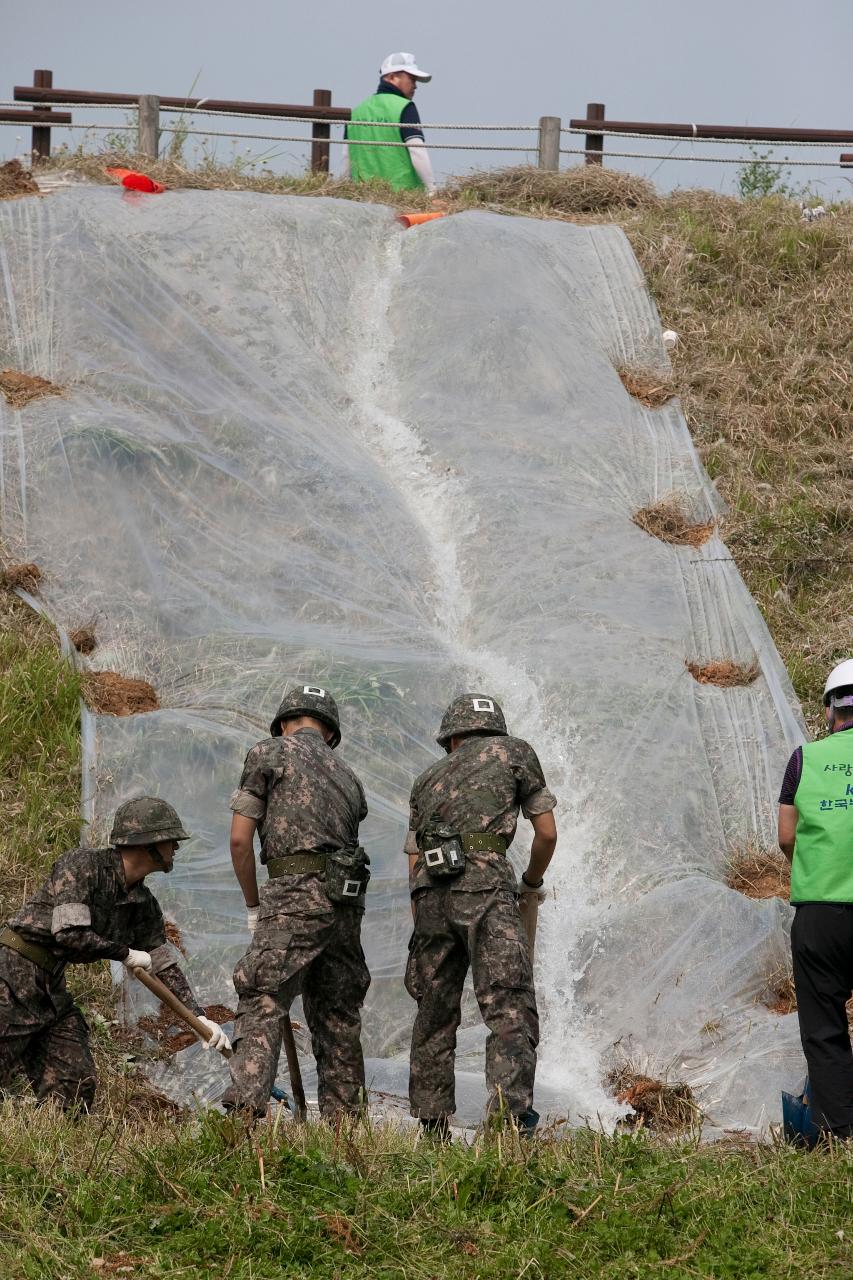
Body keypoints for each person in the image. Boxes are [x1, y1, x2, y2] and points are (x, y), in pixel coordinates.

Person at [0, 797, 230, 1112]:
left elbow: (162, 963)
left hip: (51, 989)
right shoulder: (83, 866)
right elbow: (68, 933)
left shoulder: (143, 904)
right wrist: (124, 953)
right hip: (11, 976)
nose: (176, 847)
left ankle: (51, 1149)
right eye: (169, 840)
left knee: (74, 1083)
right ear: (146, 843)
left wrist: (198, 1017)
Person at [404, 694, 558, 1137]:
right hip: (487, 888)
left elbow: (413, 860)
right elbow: (546, 833)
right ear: (495, 729)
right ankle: (508, 1125)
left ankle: (432, 1127)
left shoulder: (425, 778)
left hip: (431, 895)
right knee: (508, 1005)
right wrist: (530, 882)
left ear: (451, 737)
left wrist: (420, 919)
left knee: (433, 1011)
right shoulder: (515, 752)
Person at [222, 685, 371, 1119]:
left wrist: (254, 906)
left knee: (263, 995)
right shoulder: (349, 777)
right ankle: (348, 1137)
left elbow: (238, 840)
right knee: (338, 1016)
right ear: (330, 732)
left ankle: (243, 1120)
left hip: (293, 896)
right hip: (346, 904)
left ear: (285, 724)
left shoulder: (268, 754)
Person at [780, 658, 853, 1139]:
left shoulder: (805, 759)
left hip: (822, 915)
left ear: (831, 709)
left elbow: (787, 837)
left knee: (825, 1031)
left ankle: (839, 1134)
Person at [343, 52, 436, 194]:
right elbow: (417, 151)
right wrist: (432, 190)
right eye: (411, 79)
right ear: (392, 77)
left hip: (362, 197)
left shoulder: (357, 111)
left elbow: (347, 156)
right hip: (402, 197)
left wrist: (345, 190)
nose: (415, 86)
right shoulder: (404, 107)